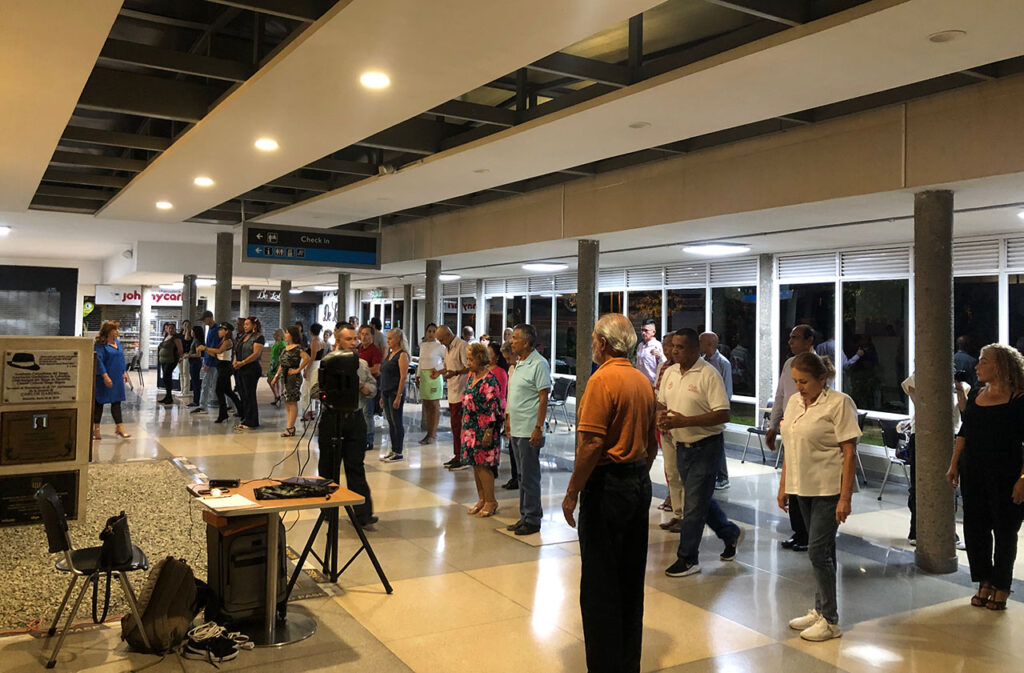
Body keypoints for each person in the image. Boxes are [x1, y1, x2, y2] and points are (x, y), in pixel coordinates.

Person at [562, 313, 658, 673]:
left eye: (592, 340)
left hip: (608, 487)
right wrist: (636, 478)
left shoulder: (601, 381)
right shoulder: (641, 381)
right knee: (631, 579)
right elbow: (651, 442)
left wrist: (573, 492)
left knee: (601, 583)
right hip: (637, 483)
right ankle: (627, 662)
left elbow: (591, 444)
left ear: (603, 343)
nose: (590, 346)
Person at [775, 351, 860, 641]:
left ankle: (831, 621)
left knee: (817, 552)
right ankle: (820, 608)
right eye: (796, 381)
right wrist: (784, 484)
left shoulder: (839, 403)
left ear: (822, 379)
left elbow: (849, 452)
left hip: (828, 488)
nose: (799, 387)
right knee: (823, 553)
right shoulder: (795, 402)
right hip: (802, 486)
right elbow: (790, 444)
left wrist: (845, 498)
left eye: (805, 381)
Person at [659, 328, 743, 577]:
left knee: (693, 505)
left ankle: (688, 558)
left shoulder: (708, 374)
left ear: (695, 349)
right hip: (680, 446)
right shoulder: (671, 372)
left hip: (706, 446)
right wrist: (660, 416)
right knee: (699, 500)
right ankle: (729, 533)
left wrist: (686, 421)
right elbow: (662, 402)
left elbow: (723, 413)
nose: (674, 350)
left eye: (680, 347)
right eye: (673, 346)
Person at [946, 344, 1024, 611]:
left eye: (983, 362)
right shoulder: (978, 394)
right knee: (976, 529)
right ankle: (984, 581)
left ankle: (1002, 585)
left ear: (1000, 366)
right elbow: (965, 433)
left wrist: (1023, 479)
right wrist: (954, 464)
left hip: (1007, 474)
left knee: (1005, 531)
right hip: (974, 472)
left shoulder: (1019, 399)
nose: (977, 366)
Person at [901, 370, 969, 547]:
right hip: (923, 434)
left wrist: (958, 388)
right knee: (919, 483)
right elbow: (922, 406)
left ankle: (949, 531)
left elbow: (963, 409)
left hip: (951, 434)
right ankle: (916, 529)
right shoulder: (917, 379)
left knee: (950, 484)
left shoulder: (961, 387)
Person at [319, 324, 378, 526]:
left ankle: (363, 514)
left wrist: (361, 386)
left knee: (355, 466)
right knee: (328, 468)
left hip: (355, 419)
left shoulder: (361, 364)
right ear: (338, 341)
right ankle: (328, 511)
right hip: (331, 419)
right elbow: (313, 391)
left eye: (355, 339)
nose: (354, 343)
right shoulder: (326, 362)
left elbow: (373, 389)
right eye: (349, 339)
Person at [766, 325, 817, 552]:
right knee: (792, 483)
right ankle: (799, 531)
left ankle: (810, 533)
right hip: (790, 430)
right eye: (789, 337)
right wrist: (773, 426)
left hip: (809, 434)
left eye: (795, 337)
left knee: (806, 485)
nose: (790, 341)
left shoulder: (819, 366)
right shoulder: (789, 364)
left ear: (809, 340)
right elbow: (780, 396)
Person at [505, 323, 551, 535]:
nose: (511, 341)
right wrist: (508, 418)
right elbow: (513, 396)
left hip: (529, 429)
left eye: (515, 338)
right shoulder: (519, 363)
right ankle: (524, 515)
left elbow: (543, 398)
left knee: (530, 475)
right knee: (522, 475)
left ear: (526, 342)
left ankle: (533, 518)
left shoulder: (538, 364)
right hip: (516, 426)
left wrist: (538, 428)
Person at [462, 343, 504, 517]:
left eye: (471, 359)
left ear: (480, 359)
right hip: (471, 427)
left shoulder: (490, 380)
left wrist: (488, 431)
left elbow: (494, 407)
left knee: (484, 465)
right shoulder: (472, 376)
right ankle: (482, 498)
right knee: (475, 464)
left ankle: (491, 501)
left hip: (485, 428)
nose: (468, 362)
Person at [655, 335, 684, 532]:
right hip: (666, 428)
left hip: (687, 432)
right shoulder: (667, 369)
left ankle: (688, 516)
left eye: (676, 346)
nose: (671, 350)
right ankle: (678, 513)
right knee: (672, 472)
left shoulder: (704, 372)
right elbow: (660, 397)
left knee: (685, 476)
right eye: (668, 346)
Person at [700, 331, 733, 490]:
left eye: (701, 342)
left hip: (716, 410)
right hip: (703, 409)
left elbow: (727, 390)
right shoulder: (701, 361)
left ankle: (723, 477)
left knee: (717, 442)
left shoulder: (722, 363)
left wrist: (720, 409)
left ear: (709, 344)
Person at [436, 325, 470, 471]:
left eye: (442, 339)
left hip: (461, 393)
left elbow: (469, 367)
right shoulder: (447, 348)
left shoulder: (462, 345)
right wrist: (438, 372)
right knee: (455, 428)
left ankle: (463, 457)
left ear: (449, 335)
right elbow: (447, 367)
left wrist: (455, 373)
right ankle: (457, 455)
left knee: (461, 427)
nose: (441, 342)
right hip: (452, 392)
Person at [93, 321, 131, 440]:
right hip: (104, 377)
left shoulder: (117, 343)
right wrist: (105, 376)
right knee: (99, 403)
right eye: (115, 329)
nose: (117, 331)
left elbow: (121, 358)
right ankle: (96, 429)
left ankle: (119, 427)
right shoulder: (100, 345)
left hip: (116, 376)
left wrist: (124, 372)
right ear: (108, 331)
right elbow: (98, 361)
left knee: (116, 402)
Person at [198, 323, 242, 424]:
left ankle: (224, 414)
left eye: (221, 330)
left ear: (226, 331)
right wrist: (206, 350)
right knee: (227, 391)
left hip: (225, 367)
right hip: (221, 365)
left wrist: (205, 348)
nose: (219, 331)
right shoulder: (222, 340)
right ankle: (239, 409)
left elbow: (219, 351)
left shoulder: (228, 341)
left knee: (219, 390)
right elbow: (214, 353)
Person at [270, 326, 309, 437]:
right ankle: (289, 425)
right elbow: (282, 365)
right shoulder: (285, 348)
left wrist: (298, 369)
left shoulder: (297, 349)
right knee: (287, 401)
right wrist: (276, 377)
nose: (285, 335)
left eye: (287, 333)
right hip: (285, 376)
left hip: (293, 377)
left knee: (292, 401)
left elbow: (307, 358)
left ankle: (290, 427)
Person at [380, 328, 410, 462]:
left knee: (397, 421)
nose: (388, 340)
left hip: (394, 392)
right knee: (391, 422)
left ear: (398, 339)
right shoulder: (390, 354)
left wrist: (398, 396)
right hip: (386, 391)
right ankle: (393, 449)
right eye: (388, 338)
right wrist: (381, 395)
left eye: (391, 338)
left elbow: (403, 377)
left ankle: (398, 451)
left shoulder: (402, 355)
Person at [233, 317, 265, 430]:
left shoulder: (258, 337)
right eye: (244, 324)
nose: (245, 326)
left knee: (249, 394)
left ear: (254, 326)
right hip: (240, 368)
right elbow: (236, 350)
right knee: (242, 394)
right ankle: (246, 417)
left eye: (247, 324)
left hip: (251, 368)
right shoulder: (242, 336)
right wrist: (236, 362)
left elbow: (256, 354)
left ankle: (252, 421)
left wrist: (243, 362)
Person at [417, 323, 445, 445]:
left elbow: (446, 360)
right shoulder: (423, 345)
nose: (431, 334)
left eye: (434, 331)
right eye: (429, 331)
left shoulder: (441, 346)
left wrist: (438, 369)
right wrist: (417, 375)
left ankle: (433, 433)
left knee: (434, 405)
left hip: (434, 376)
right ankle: (428, 432)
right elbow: (420, 360)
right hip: (423, 375)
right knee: (427, 405)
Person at [358, 324, 383, 451]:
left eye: (367, 334)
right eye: (362, 334)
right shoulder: (359, 349)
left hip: (369, 385)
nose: (364, 337)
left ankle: (369, 439)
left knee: (367, 413)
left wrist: (363, 371)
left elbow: (377, 369)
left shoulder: (375, 351)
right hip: (357, 386)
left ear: (372, 336)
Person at [194, 311, 222, 414]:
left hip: (213, 363)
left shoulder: (215, 330)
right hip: (210, 361)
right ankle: (202, 405)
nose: (204, 322)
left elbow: (213, 349)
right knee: (207, 385)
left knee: (215, 386)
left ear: (210, 318)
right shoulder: (210, 330)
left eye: (204, 319)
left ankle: (230, 405)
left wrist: (207, 363)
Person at [500, 341, 519, 490]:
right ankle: (514, 476)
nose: (507, 362)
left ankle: (519, 477)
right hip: (511, 412)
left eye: (508, 358)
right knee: (512, 449)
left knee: (518, 451)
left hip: (520, 415)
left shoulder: (521, 368)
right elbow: (510, 393)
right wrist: (507, 416)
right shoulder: (511, 369)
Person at [300, 323, 325, 421]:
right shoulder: (322, 341)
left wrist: (306, 370)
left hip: (313, 366)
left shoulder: (315, 342)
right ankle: (311, 410)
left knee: (308, 388)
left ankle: (310, 411)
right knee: (312, 387)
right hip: (318, 364)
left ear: (311, 331)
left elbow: (312, 357)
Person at [157, 322, 183, 405]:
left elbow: (180, 349)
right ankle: (167, 396)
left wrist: (180, 357)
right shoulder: (167, 336)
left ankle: (169, 397)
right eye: (169, 328)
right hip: (163, 360)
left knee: (166, 377)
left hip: (171, 360)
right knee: (166, 378)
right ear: (167, 329)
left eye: (172, 328)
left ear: (175, 329)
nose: (171, 329)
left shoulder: (176, 338)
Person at [635, 318, 665, 386]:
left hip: (652, 384)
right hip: (640, 383)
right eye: (642, 330)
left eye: (646, 330)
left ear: (653, 332)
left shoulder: (657, 345)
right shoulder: (640, 345)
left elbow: (664, 364)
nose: (643, 333)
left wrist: (660, 356)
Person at [184, 324, 204, 407]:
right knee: (195, 381)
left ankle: (196, 401)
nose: (191, 332)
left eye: (192, 331)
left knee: (196, 382)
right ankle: (196, 400)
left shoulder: (197, 341)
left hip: (195, 363)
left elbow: (198, 354)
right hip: (193, 362)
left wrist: (188, 355)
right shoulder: (194, 340)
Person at [266, 328, 286, 406]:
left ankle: (277, 395)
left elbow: (282, 355)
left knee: (271, 380)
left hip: (277, 364)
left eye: (275, 334)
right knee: (276, 381)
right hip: (273, 364)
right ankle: (277, 396)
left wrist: (279, 364)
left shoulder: (282, 344)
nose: (273, 336)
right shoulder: (276, 343)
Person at [179, 319, 194, 396]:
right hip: (180, 356)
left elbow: (187, 339)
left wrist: (187, 331)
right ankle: (181, 389)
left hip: (187, 355)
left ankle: (186, 390)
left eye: (188, 325)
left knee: (185, 373)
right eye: (185, 325)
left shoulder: (191, 334)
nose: (186, 326)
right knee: (181, 373)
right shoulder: (180, 335)